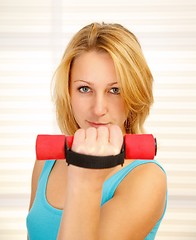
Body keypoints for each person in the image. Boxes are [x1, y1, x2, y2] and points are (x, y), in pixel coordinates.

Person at [26, 22, 167, 240]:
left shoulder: (147, 178)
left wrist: (85, 178)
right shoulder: (46, 163)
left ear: (134, 94)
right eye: (85, 89)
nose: (99, 109)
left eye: (115, 90)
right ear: (68, 93)